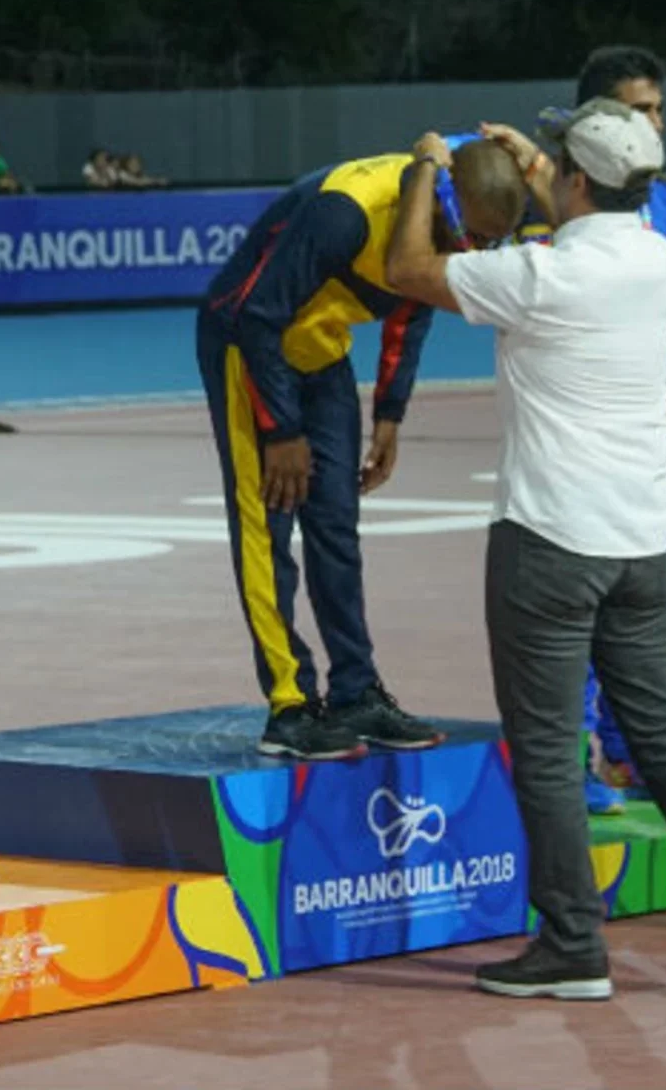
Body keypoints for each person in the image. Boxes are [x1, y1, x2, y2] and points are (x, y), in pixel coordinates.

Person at [383, 101, 666, 1000]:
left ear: (576, 179)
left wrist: (426, 167)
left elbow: (408, 268)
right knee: (660, 723)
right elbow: (591, 213)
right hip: (642, 534)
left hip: (549, 536)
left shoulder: (536, 274)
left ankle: (573, 944)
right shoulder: (658, 256)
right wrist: (546, 170)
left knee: (544, 745)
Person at [196, 141, 525, 760]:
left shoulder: (439, 224)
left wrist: (390, 415)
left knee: (336, 526)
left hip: (320, 351)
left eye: (491, 244)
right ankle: (290, 707)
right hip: (246, 345)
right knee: (266, 528)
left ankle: (355, 693)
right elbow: (258, 314)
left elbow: (413, 308)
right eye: (473, 238)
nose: (475, 255)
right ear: (445, 204)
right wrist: (281, 431)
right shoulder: (346, 213)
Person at [481, 44, 666, 816]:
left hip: (663, 439)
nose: (656, 124)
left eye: (660, 110)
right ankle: (575, 756)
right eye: (639, 111)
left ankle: (630, 748)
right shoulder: (550, 204)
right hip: (585, 448)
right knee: (579, 615)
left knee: (653, 611)